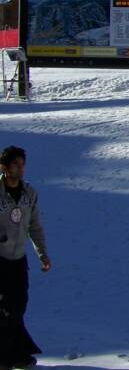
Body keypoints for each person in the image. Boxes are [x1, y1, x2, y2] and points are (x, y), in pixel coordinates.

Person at [0, 146, 50, 370]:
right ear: (4, 168)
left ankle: (16, 354)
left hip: (19, 260)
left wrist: (42, 253)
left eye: (22, 165)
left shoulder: (29, 193)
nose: (20, 170)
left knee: (19, 306)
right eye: (15, 165)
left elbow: (34, 226)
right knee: (5, 309)